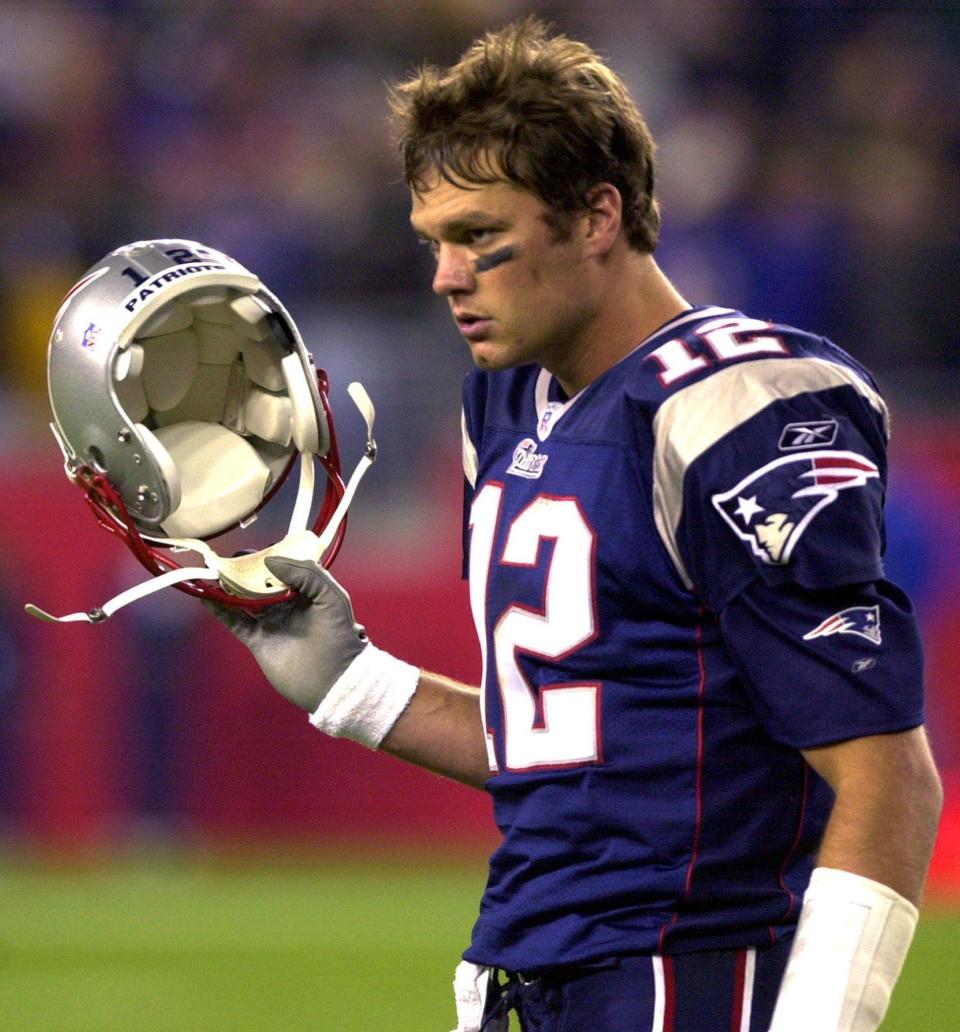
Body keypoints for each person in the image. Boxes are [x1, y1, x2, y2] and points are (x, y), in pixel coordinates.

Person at [210, 18, 943, 1032]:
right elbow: (571, 744)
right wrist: (354, 684)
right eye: (435, 242)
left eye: (480, 237)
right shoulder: (506, 403)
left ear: (598, 216)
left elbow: (888, 776)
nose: (445, 277)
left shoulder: (741, 406)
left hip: (686, 971)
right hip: (531, 969)